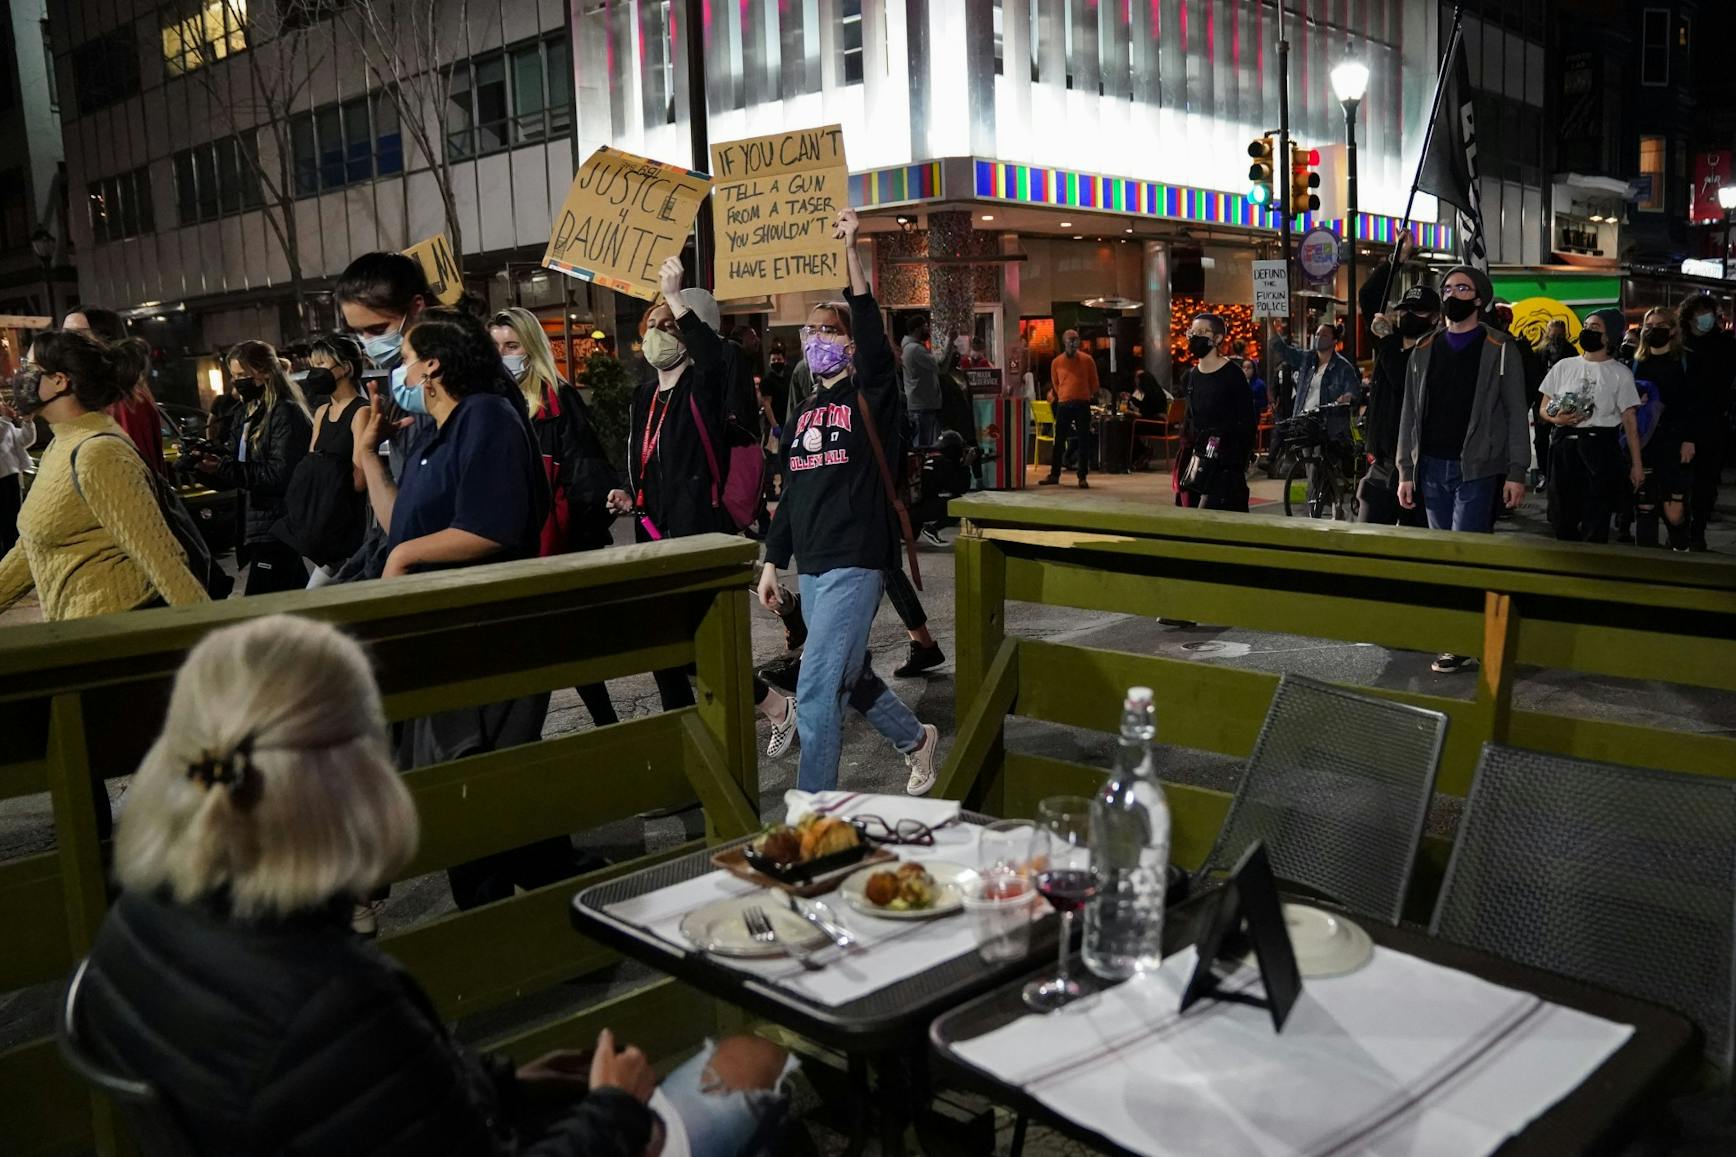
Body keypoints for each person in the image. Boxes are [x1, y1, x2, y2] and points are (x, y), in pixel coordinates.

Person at [76, 613, 796, 1157]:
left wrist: (495, 1086)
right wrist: (611, 1107)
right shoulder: (332, 1000)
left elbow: (374, 1105)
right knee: (756, 1061)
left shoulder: (135, 922)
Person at [759, 207, 942, 797]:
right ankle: (917, 739)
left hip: (858, 556)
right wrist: (770, 561)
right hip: (813, 563)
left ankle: (813, 815)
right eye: (808, 332)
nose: (816, 340)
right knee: (850, 674)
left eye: (828, 330)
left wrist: (853, 255)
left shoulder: (873, 393)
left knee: (814, 687)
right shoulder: (804, 409)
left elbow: (867, 324)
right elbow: (791, 493)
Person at [0, 330, 208, 620]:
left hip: (115, 636)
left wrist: (217, 647)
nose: (19, 376)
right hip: (76, 634)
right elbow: (33, 544)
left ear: (60, 380)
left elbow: (164, 561)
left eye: (29, 368)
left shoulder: (99, 454)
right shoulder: (61, 444)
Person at [605, 259, 735, 714]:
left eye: (669, 325)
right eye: (652, 324)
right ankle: (681, 726)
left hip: (695, 530)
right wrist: (627, 490)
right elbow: (644, 461)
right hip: (651, 534)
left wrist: (675, 296)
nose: (657, 332)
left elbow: (715, 358)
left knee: (700, 645)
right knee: (663, 645)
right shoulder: (644, 396)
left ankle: (760, 708)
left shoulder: (702, 385)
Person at [490, 306, 622, 727]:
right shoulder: (486, 402)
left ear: (530, 349)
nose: (504, 355)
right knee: (543, 651)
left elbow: (584, 475)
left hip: (551, 548)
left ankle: (601, 730)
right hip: (503, 547)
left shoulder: (556, 399)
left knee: (553, 649)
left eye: (511, 346)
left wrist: (573, 541)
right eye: (495, 347)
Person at [1395, 265, 1528, 674]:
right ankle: (1465, 632)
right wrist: (1404, 469)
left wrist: (1517, 470)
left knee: (1463, 552)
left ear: (1479, 298)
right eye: (1448, 287)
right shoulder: (1423, 349)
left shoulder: (1499, 347)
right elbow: (1409, 412)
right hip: (1431, 464)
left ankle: (1462, 640)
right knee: (1445, 555)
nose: (1453, 293)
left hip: (1476, 466)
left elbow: (1514, 411)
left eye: (1462, 287)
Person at [329, 252, 438, 584]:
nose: (369, 343)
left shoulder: (457, 386)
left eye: (378, 329)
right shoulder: (398, 377)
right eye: (359, 333)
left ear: (416, 306)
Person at [193, 341, 313, 595]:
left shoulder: (285, 413)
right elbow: (236, 470)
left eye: (242, 376)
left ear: (266, 373)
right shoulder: (246, 412)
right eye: (233, 376)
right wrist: (203, 467)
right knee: (293, 606)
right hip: (257, 527)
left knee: (261, 608)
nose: (236, 382)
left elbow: (279, 475)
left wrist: (224, 468)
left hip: (278, 527)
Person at [1537, 307, 1646, 544]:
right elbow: (1544, 408)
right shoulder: (1564, 366)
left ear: (1609, 336)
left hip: (1600, 448)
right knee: (1562, 517)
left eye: (1595, 328)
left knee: (1596, 517)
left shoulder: (1620, 373)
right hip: (1564, 446)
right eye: (1586, 327)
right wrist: (1558, 418)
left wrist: (1636, 465)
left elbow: (1629, 421)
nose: (1588, 332)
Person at [1357, 235, 1437, 527]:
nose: (1407, 316)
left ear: (1435, 318)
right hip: (1381, 463)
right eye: (1404, 310)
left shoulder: (1433, 350)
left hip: (1419, 470)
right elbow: (1368, 298)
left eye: (1417, 312)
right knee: (1369, 543)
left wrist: (1387, 339)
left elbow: (1403, 378)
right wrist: (1395, 260)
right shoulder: (1388, 342)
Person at [286, 335, 370, 588]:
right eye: (312, 365)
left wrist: (327, 472)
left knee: (316, 597)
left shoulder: (361, 411)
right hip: (320, 519)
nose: (314, 372)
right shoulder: (322, 412)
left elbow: (359, 479)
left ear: (345, 368)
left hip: (345, 524)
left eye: (321, 364)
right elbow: (311, 466)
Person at [63, 307, 169, 480]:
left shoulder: (123, 396)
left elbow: (133, 471)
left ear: (105, 339)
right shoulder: (96, 390)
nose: (67, 342)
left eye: (78, 333)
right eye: (65, 334)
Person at [1174, 314, 1257, 511]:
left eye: (1203, 332)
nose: (1196, 337)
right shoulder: (1192, 376)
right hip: (1197, 461)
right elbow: (1190, 418)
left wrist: (1237, 459)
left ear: (1218, 338)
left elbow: (1247, 421)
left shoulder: (1233, 375)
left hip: (1226, 464)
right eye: (1193, 332)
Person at [1630, 306, 1695, 551]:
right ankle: (1648, 566)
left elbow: (1692, 403)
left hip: (1675, 441)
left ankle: (1681, 548)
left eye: (1660, 327)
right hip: (1646, 442)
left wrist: (1689, 439)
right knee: (1645, 505)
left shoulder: (1685, 361)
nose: (1653, 331)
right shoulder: (1637, 362)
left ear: (1673, 331)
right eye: (1649, 326)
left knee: (1674, 511)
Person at [1679, 292, 1734, 552]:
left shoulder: (1723, 344)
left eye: (1708, 312)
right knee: (1682, 481)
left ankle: (1697, 529)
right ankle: (1679, 528)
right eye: (1701, 313)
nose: (1706, 318)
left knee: (1706, 481)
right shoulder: (1680, 345)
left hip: (1713, 423)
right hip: (1683, 423)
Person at [1040, 328, 1099, 489]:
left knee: (1083, 439)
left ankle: (1082, 476)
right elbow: (1055, 383)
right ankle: (1054, 474)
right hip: (1064, 403)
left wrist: (1083, 394)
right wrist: (1065, 395)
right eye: (1070, 340)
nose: (1073, 343)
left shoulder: (1087, 360)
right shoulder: (1057, 362)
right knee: (1059, 440)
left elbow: (1094, 384)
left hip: (1082, 403)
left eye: (1076, 340)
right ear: (1064, 343)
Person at [1273, 318, 1361, 416]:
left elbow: (1354, 393)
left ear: (1334, 341)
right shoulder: (1307, 359)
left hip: (1327, 425)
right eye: (1317, 334)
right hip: (1302, 421)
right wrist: (1271, 327)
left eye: (1324, 335)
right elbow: (1284, 350)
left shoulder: (1343, 368)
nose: (1318, 338)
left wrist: (1348, 397)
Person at [900, 315, 946, 447]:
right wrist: (948, 342)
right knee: (923, 446)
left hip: (921, 405)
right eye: (925, 326)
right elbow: (941, 367)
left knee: (923, 444)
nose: (928, 329)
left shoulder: (911, 348)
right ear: (917, 329)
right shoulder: (915, 350)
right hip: (922, 405)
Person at [0, 399, 32, 552]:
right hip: (2, 480)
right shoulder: (4, 424)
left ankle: (15, 549)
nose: (2, 403)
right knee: (5, 519)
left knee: (16, 515)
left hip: (12, 476)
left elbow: (25, 440)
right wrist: (6, 419)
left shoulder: (6, 425)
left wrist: (27, 422)